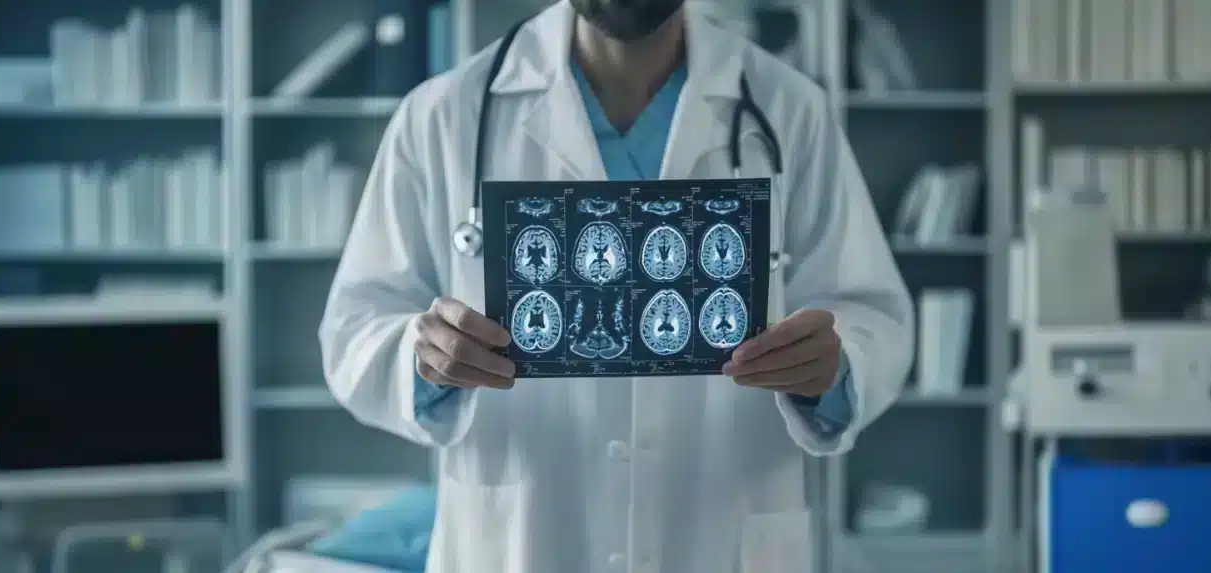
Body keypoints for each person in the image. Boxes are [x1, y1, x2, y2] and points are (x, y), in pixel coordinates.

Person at [318, 1, 913, 571]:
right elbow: (354, 329)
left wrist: (834, 367)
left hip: (720, 534)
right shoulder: (443, 116)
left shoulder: (790, 110)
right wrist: (421, 357)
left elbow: (870, 312)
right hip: (526, 541)